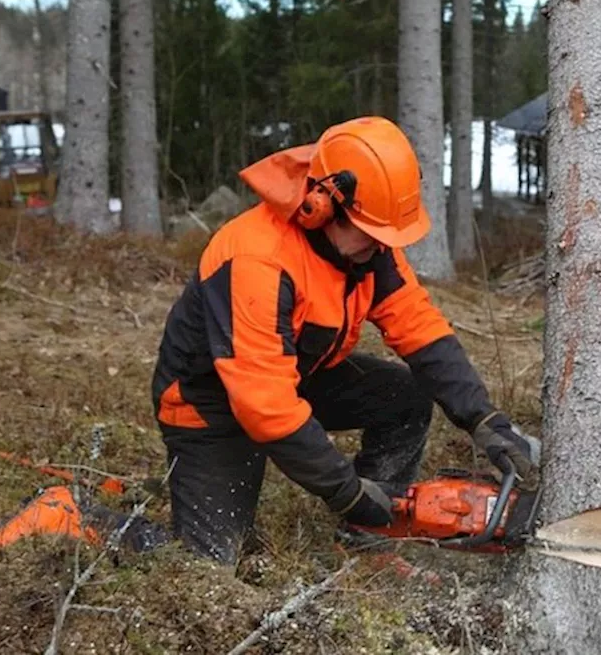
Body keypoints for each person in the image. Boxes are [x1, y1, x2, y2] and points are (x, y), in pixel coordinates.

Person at [150, 116, 539, 564]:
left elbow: (418, 326)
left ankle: (368, 538)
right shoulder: (258, 259)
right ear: (323, 205)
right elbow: (265, 407)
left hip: (293, 374)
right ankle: (77, 519)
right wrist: (349, 494)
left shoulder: (368, 249)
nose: (381, 247)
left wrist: (483, 417)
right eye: (372, 235)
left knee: (406, 395)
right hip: (209, 404)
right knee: (206, 564)